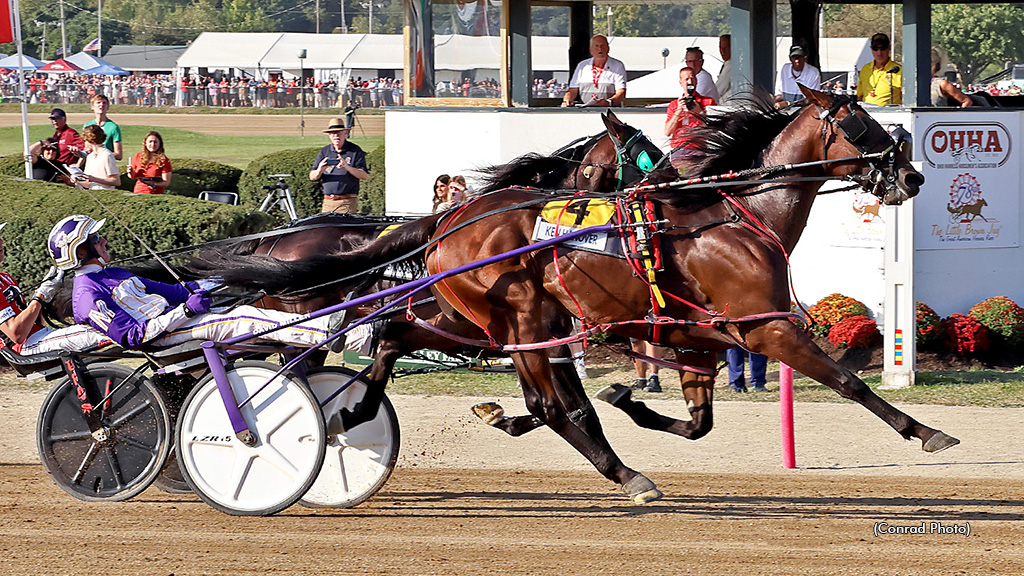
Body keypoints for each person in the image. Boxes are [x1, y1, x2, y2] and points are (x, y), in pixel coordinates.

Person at [53, 215, 364, 353]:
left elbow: (174, 291)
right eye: (95, 238)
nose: (103, 240)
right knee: (241, 319)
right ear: (81, 251)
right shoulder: (86, 297)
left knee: (241, 302)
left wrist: (224, 279)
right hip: (162, 337)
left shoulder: (114, 273)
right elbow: (132, 336)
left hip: (176, 323)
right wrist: (185, 312)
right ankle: (331, 332)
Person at [0, 222, 109, 356]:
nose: (1, 240)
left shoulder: (5, 277)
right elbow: (16, 334)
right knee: (105, 329)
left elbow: (36, 322)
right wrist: (40, 295)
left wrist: (45, 294)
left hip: (40, 335)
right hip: (25, 346)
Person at [309, 118, 370, 214]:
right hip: (328, 202)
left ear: (345, 134)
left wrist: (347, 167)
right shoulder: (325, 151)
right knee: (327, 228)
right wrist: (320, 170)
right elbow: (312, 176)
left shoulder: (354, 150)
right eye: (333, 133)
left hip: (347, 202)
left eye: (339, 133)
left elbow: (365, 175)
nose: (336, 136)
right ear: (329, 135)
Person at [664, 67, 716, 169]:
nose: (690, 81)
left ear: (697, 81)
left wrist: (699, 112)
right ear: (681, 83)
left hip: (699, 149)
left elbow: (714, 129)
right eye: (686, 79)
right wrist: (678, 111)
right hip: (679, 149)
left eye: (692, 78)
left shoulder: (708, 102)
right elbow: (667, 132)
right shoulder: (674, 105)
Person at [561, 35, 627, 107]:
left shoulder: (617, 65)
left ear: (608, 48)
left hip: (609, 110)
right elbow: (573, 90)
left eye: (602, 46)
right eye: (596, 46)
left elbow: (621, 91)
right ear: (591, 50)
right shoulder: (582, 66)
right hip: (584, 110)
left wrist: (609, 102)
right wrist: (566, 101)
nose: (600, 48)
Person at [856, 33, 902, 106]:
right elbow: (859, 96)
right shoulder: (865, 69)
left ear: (889, 48)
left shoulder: (899, 70)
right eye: (875, 49)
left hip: (891, 114)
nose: (879, 53)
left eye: (883, 48)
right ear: (871, 49)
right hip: (867, 114)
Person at [76, 125, 121, 191]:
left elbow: (116, 181)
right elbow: (90, 184)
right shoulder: (90, 157)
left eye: (85, 141)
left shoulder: (107, 155)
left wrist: (94, 179)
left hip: (107, 194)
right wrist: (76, 181)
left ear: (89, 140)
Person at [83, 94, 122, 160]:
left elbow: (118, 155)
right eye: (98, 102)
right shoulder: (87, 125)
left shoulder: (113, 127)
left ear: (108, 107)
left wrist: (100, 154)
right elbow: (87, 148)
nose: (101, 105)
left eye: (104, 103)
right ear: (92, 106)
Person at [715, 34, 732, 103]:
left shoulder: (731, 65)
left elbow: (718, 90)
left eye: (726, 48)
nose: (722, 51)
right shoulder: (726, 64)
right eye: (720, 48)